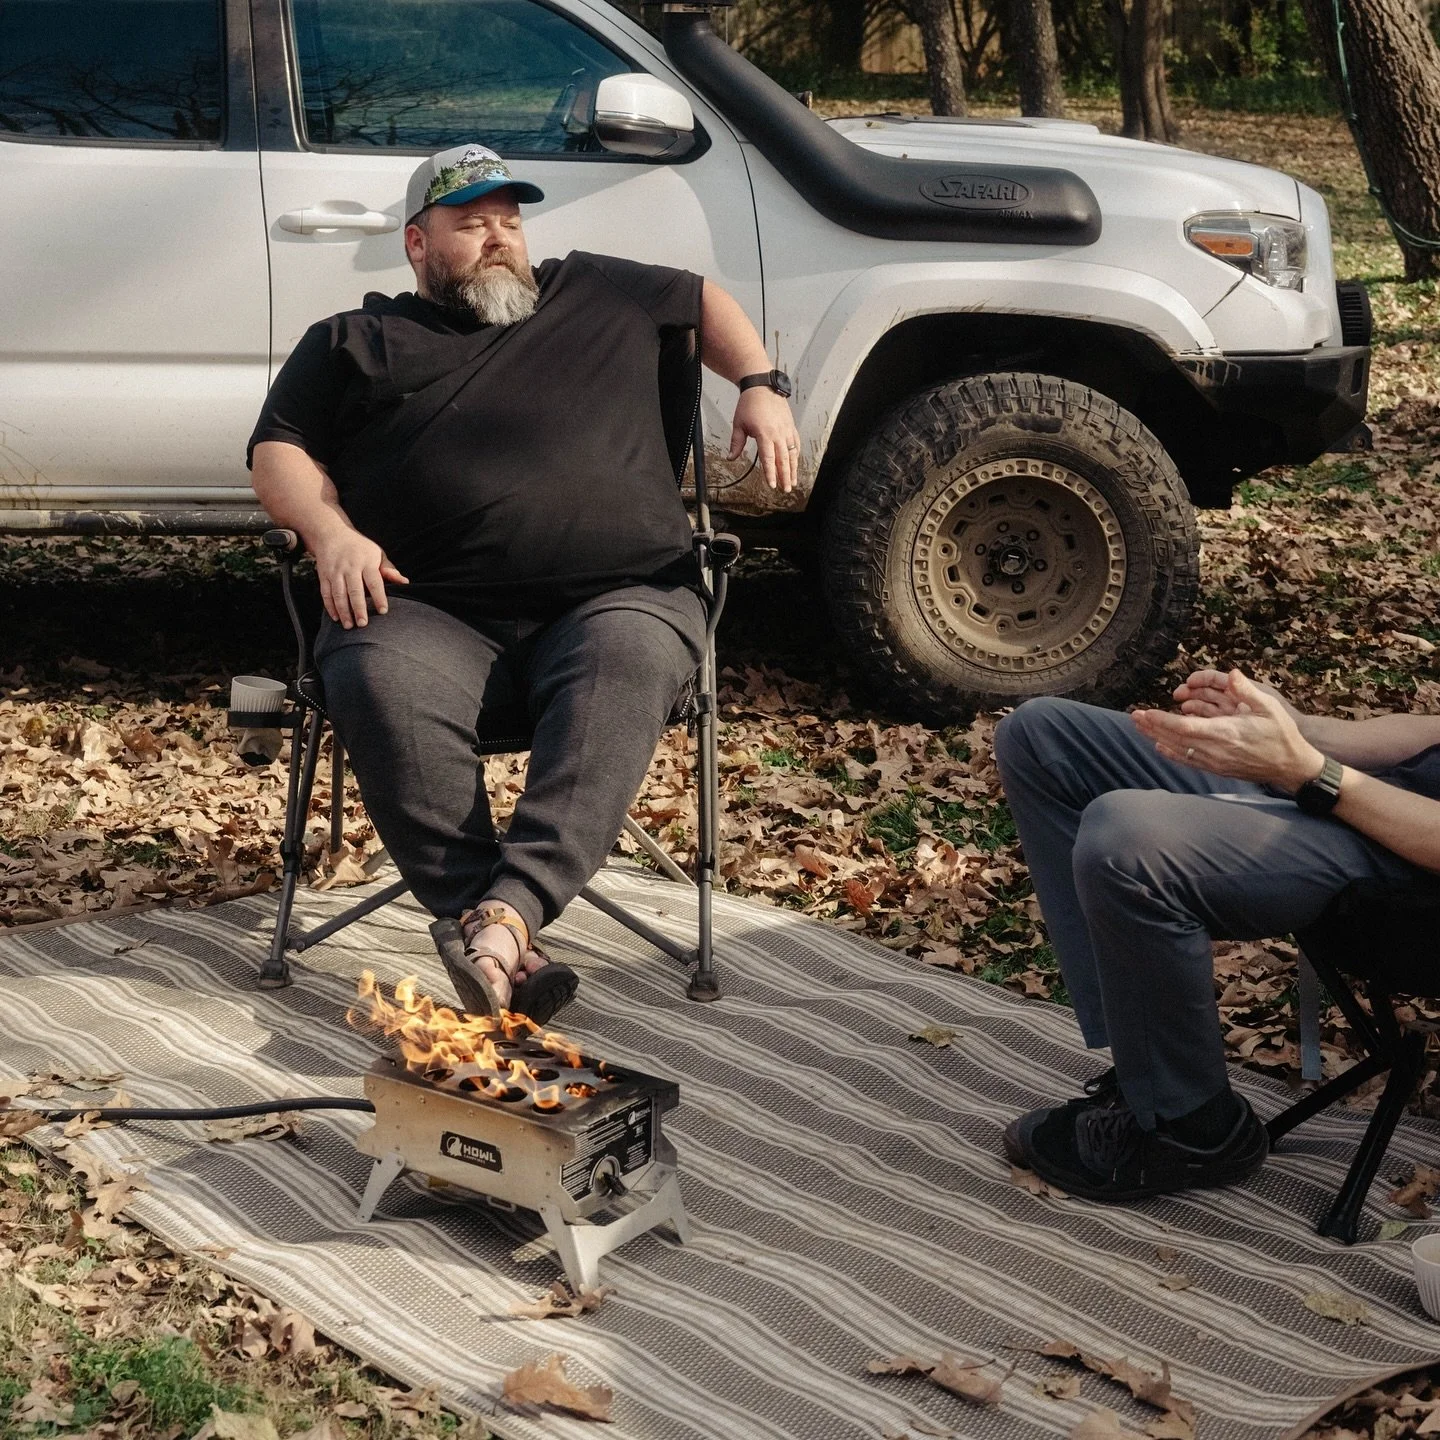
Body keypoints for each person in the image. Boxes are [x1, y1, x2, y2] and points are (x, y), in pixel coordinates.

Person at [248, 144, 798, 1024]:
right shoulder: (357, 340)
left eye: (510, 220)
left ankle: (499, 920)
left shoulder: (598, 289)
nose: (500, 237)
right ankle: (500, 928)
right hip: (425, 608)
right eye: (471, 224)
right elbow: (275, 448)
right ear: (418, 245)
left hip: (618, 596)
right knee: (368, 669)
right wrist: (331, 532)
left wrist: (763, 384)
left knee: (623, 659)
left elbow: (700, 299)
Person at [993, 668, 1440, 1201]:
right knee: (1043, 734)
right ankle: (1145, 1074)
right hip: (1356, 799)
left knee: (1126, 840)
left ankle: (1188, 1125)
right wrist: (1298, 728)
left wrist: (1311, 773)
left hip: (1409, 884)